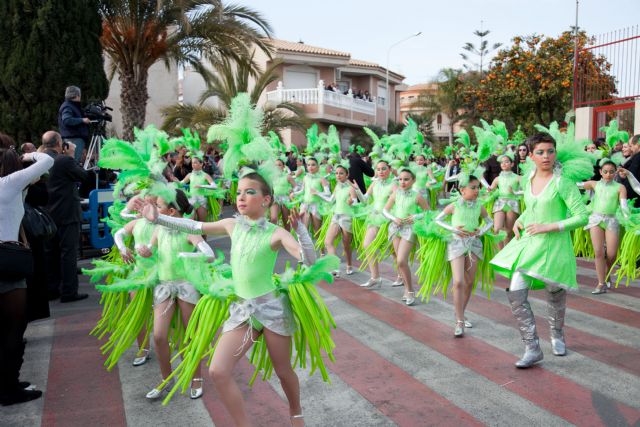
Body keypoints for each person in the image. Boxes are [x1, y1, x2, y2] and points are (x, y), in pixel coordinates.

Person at [137, 172, 320, 426]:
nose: (241, 197)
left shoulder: (277, 233)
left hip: (271, 310)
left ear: (266, 200)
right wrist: (158, 218)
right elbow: (193, 226)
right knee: (217, 371)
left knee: (283, 371)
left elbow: (309, 261)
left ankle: (296, 413)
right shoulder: (231, 225)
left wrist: (301, 231)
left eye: (249, 192)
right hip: (243, 311)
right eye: (239, 192)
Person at [490, 132, 589, 368]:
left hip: (555, 246)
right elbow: (532, 208)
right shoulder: (529, 179)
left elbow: (582, 216)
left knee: (555, 292)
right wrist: (520, 219)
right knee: (516, 291)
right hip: (530, 243)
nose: (546, 156)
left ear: (555, 153)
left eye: (550, 151)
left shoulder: (562, 183)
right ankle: (532, 348)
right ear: (531, 156)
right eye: (540, 152)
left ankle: (557, 335)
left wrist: (548, 227)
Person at [138, 191, 212, 400]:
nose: (155, 210)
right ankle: (166, 378)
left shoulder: (188, 228)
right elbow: (150, 249)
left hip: (186, 286)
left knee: (190, 335)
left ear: (171, 211)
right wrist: (145, 251)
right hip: (165, 287)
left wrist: (187, 255)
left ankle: (196, 377)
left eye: (158, 206)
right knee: (159, 335)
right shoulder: (159, 229)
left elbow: (208, 254)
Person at [0, 132, 53, 405]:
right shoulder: (10, 183)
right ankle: (9, 388)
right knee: (15, 328)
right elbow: (47, 161)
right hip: (8, 263)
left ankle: (7, 383)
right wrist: (29, 155)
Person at [433, 175, 494, 336]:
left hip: (474, 244)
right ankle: (459, 321)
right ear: (462, 190)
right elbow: (438, 220)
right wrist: (454, 229)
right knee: (458, 281)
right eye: (473, 187)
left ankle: (460, 312)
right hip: (456, 244)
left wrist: (480, 231)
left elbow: (490, 222)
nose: (477, 190)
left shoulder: (479, 206)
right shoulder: (454, 205)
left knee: (469, 282)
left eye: (478, 187)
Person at [43, 131, 95, 302]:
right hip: (66, 213)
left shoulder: (39, 159)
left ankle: (52, 289)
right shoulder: (64, 160)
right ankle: (69, 292)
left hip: (48, 214)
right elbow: (84, 176)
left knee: (51, 253)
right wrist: (71, 155)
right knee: (68, 253)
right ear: (59, 143)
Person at [580, 160, 629, 294]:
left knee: (612, 254)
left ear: (615, 173)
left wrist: (629, 220)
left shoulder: (620, 187)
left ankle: (606, 273)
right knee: (598, 252)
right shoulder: (594, 184)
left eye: (611, 172)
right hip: (596, 219)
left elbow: (624, 206)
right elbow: (574, 185)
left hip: (612, 220)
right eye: (605, 172)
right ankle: (601, 283)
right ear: (600, 172)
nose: (608, 174)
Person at [382, 169, 429, 305]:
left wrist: (416, 216)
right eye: (400, 179)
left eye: (406, 179)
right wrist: (393, 218)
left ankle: (410, 290)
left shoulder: (417, 196)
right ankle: (407, 289)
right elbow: (385, 210)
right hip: (395, 228)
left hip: (409, 230)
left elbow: (428, 212)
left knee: (401, 260)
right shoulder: (395, 194)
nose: (402, 182)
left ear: (413, 181)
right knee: (399, 262)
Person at [58, 86, 90, 163]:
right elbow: (67, 120)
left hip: (73, 138)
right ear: (77, 95)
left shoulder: (71, 105)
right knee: (73, 162)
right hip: (73, 139)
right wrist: (82, 120)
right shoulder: (68, 106)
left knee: (73, 161)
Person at [618, 134, 640, 202]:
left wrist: (624, 197)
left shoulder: (637, 158)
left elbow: (632, 180)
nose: (631, 149)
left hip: (635, 199)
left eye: (631, 146)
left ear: (637, 145)